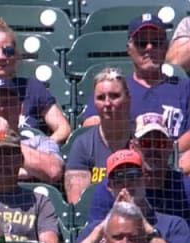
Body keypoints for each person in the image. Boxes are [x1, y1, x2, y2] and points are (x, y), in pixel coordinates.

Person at [81, 14, 190, 168]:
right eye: (141, 43)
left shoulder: (184, 87)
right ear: (129, 49)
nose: (149, 48)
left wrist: (165, 155)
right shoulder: (116, 88)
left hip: (175, 171)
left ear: (166, 46)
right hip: (126, 169)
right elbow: (91, 124)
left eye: (156, 42)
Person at [60, 149, 190, 243]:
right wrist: (104, 227)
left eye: (132, 176)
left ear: (145, 180)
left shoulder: (172, 225)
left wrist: (145, 226)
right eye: (118, 179)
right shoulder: (95, 229)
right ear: (109, 187)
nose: (126, 185)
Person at [0, 18, 71, 145]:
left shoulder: (33, 89)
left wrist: (39, 148)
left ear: (16, 54)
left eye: (8, 51)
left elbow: (63, 128)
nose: (1, 57)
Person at [87, 113, 190, 224]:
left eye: (160, 144)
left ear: (170, 147)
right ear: (133, 146)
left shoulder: (185, 187)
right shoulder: (112, 187)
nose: (153, 149)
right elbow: (94, 237)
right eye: (146, 143)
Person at [63, 68, 134, 204]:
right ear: (94, 103)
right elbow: (79, 203)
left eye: (114, 96)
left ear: (128, 99)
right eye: (101, 98)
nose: (107, 103)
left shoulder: (141, 139)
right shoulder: (83, 145)